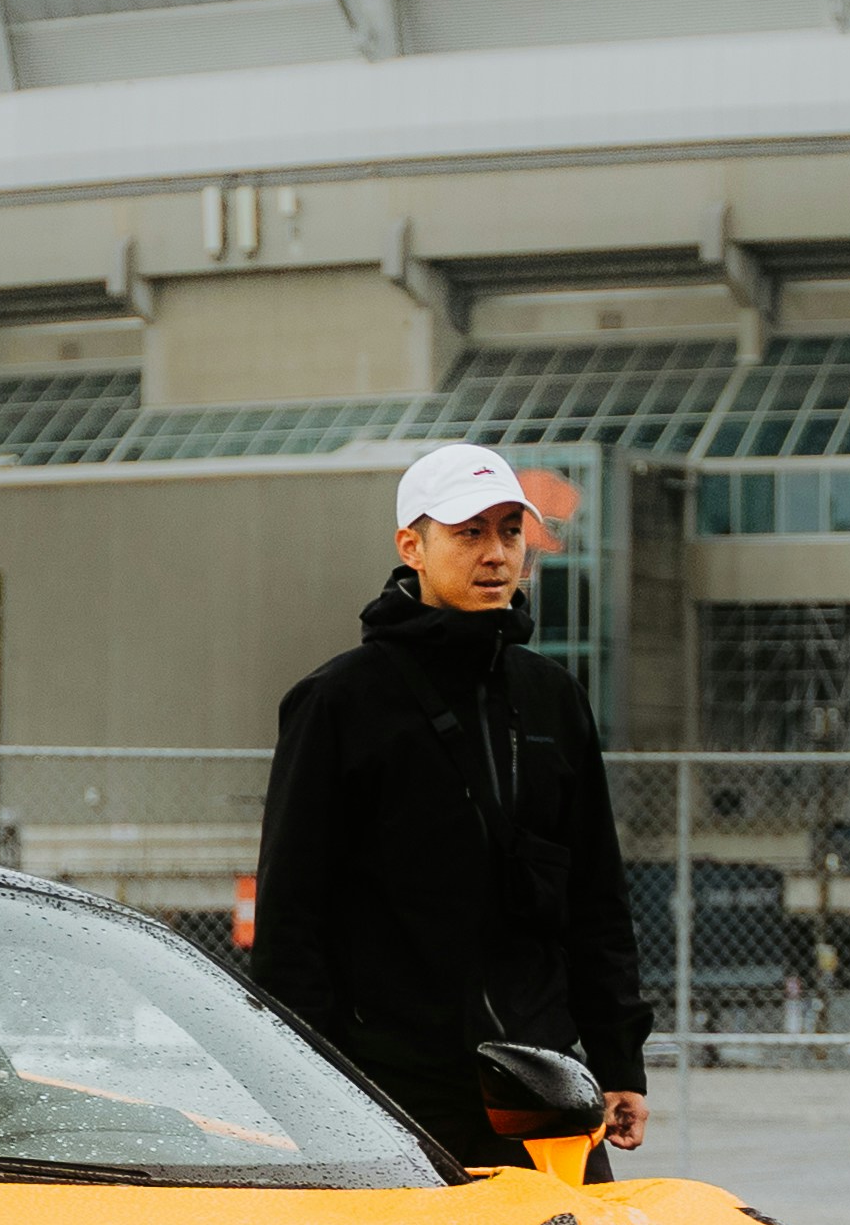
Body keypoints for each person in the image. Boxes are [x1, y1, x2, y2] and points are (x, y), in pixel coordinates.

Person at [251, 440, 652, 1167]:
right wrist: (307, 1087)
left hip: (541, 1077)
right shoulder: (339, 702)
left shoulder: (551, 699)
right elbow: (290, 916)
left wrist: (619, 1059)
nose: (496, 553)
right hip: (391, 1084)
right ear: (412, 545)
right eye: (469, 533)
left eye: (508, 531)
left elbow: (595, 894)